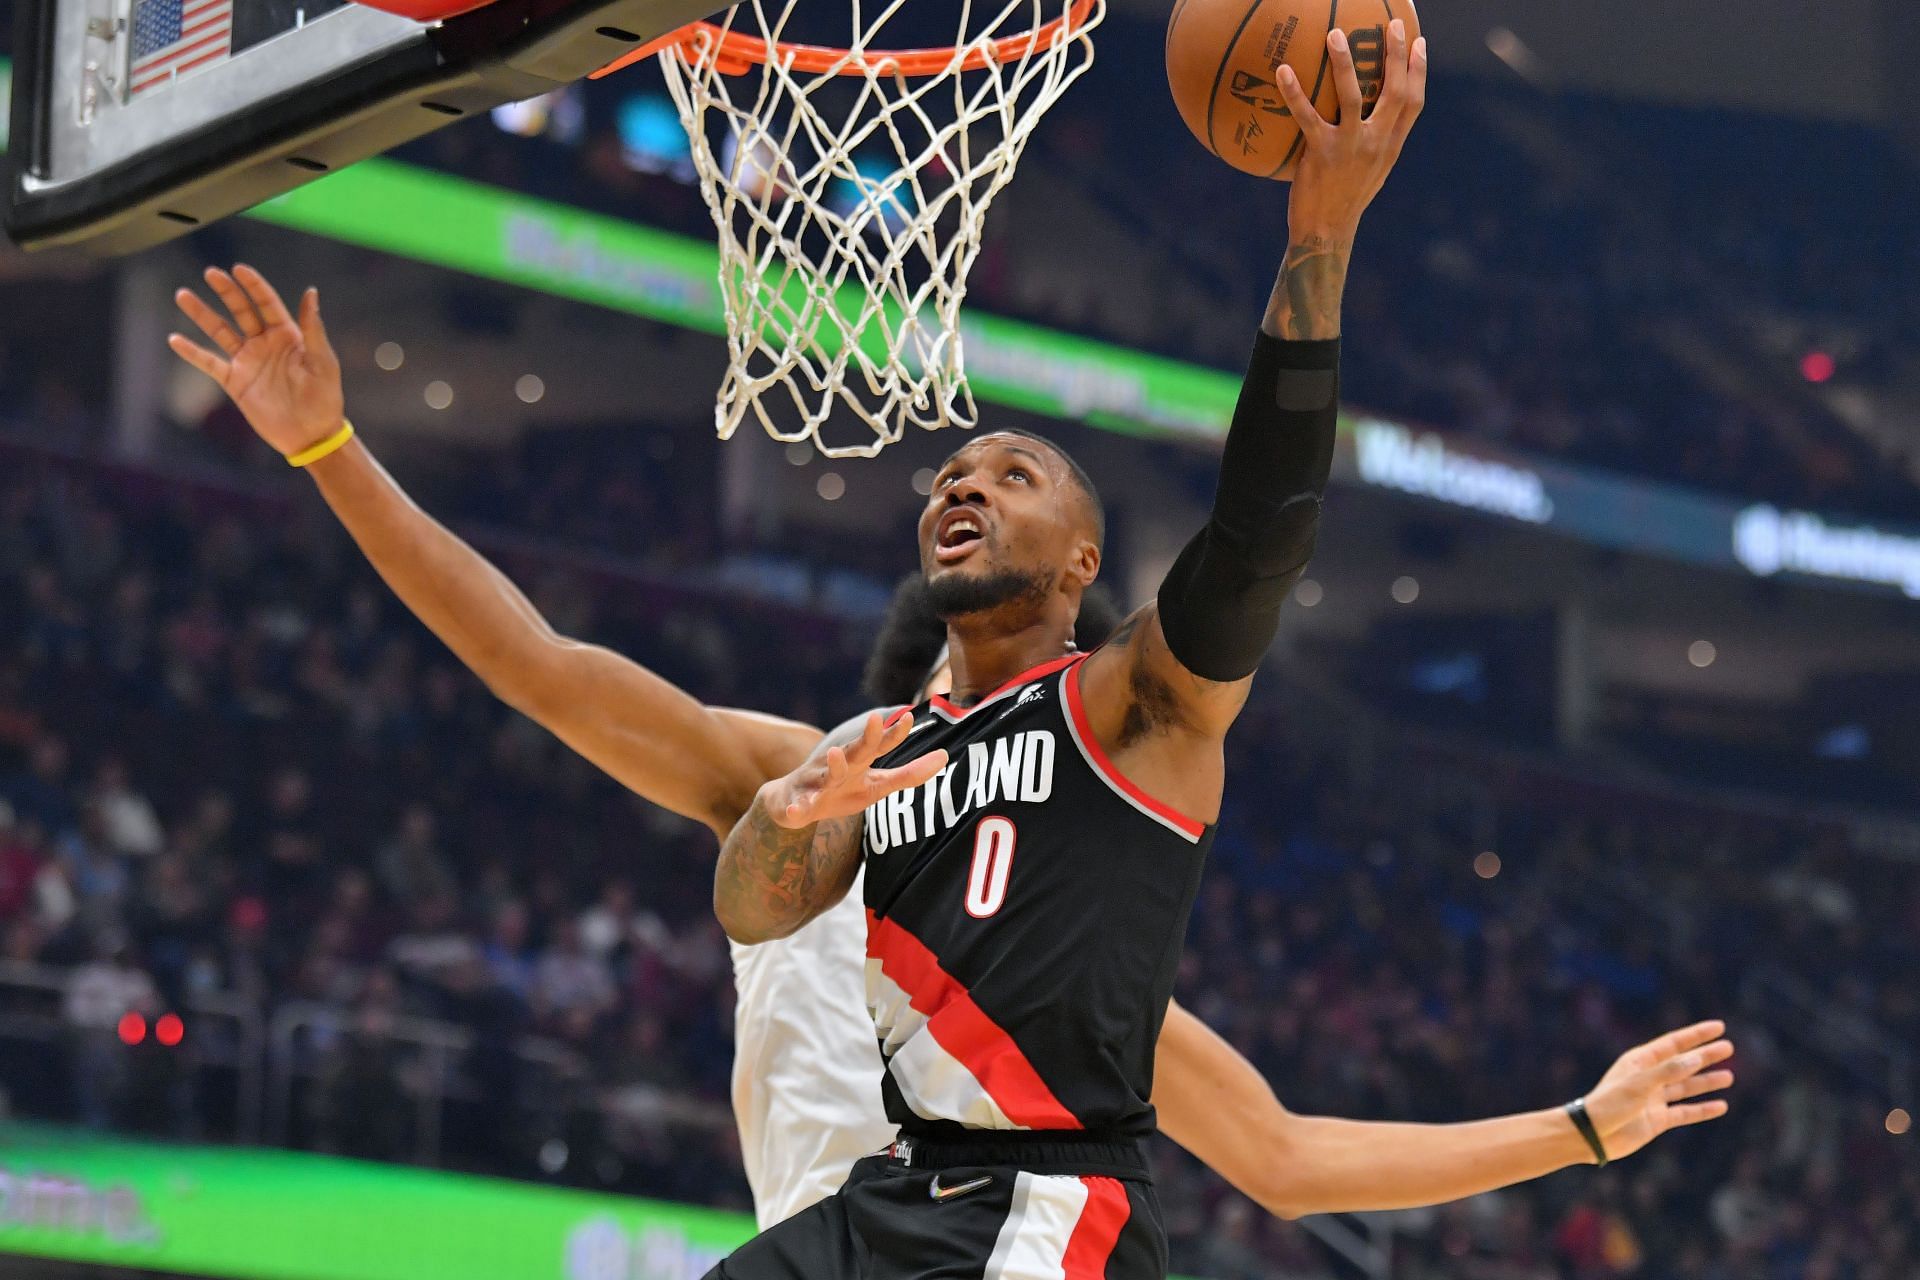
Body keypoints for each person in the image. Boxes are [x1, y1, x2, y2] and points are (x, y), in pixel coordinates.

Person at [165, 21, 1731, 1259]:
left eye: (1016, 470)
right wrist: (329, 455)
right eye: (950, 472)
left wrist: (1582, 1133)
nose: (964, 476)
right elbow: (539, 664)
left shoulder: (1098, 812)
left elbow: (1286, 1157)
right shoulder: (825, 783)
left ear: (1083, 562)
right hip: (861, 1237)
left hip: (1015, 1229)